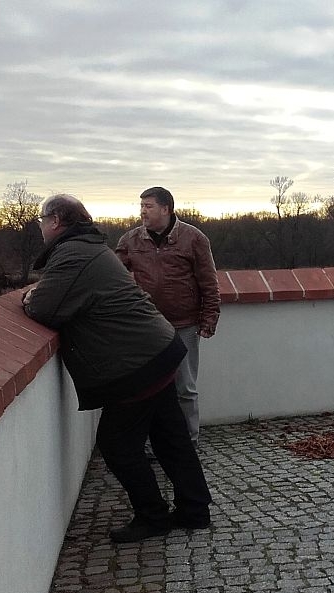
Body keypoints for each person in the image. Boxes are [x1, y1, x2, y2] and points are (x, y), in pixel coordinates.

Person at [22, 194, 212, 542]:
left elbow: (43, 308)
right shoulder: (88, 248)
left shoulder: (72, 254)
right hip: (158, 350)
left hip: (136, 365)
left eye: (41, 220)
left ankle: (153, 515)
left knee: (117, 445)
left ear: (56, 222)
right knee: (171, 438)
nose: (40, 226)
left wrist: (27, 297)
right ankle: (195, 509)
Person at [116, 186, 220, 448]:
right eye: (141, 206)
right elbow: (112, 274)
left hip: (185, 324)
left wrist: (209, 318)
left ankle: (188, 442)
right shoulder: (131, 241)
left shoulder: (194, 238)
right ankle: (156, 443)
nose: (142, 212)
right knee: (150, 387)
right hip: (149, 326)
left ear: (166, 209)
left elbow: (209, 282)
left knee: (185, 387)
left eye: (148, 206)